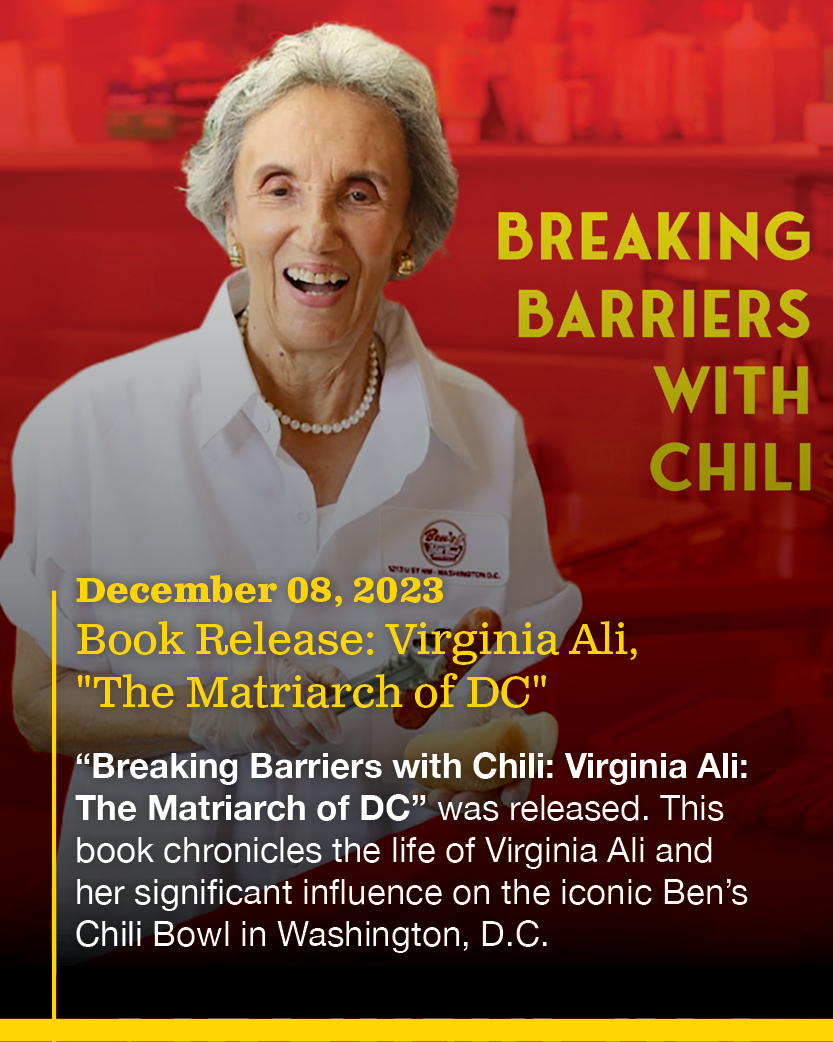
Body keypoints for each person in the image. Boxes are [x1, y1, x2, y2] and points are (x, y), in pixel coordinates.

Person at [0, 24, 580, 963]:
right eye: (278, 188)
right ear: (228, 218)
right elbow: (38, 710)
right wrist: (211, 709)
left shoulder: (484, 438)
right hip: (148, 928)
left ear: (408, 234)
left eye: (360, 193)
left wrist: (496, 745)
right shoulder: (87, 430)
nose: (315, 233)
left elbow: (495, 678)